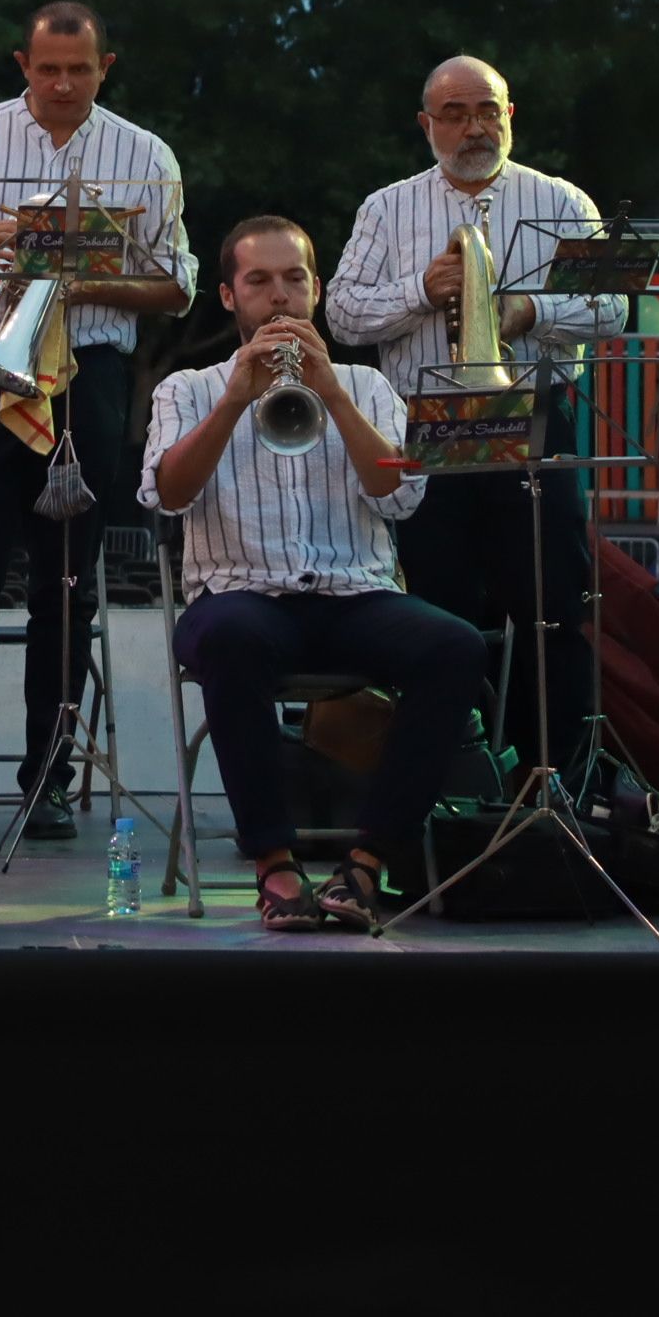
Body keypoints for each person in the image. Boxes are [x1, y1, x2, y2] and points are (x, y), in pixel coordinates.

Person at [0, 0, 190, 842]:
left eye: (79, 69)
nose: (61, 84)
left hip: (86, 374)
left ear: (106, 66)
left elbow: (178, 286)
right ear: (23, 63)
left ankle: (49, 781)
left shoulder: (146, 153)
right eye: (47, 68)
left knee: (65, 587)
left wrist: (83, 275)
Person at [147, 217, 489, 930]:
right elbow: (170, 494)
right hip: (239, 595)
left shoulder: (366, 385)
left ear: (317, 289)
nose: (279, 299)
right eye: (259, 282)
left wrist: (332, 393)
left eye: (294, 279)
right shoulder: (187, 388)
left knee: (455, 645)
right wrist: (236, 398)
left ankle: (368, 865)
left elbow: (400, 496)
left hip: (352, 595)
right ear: (228, 296)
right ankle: (274, 865)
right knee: (231, 639)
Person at [322, 54, 620, 781]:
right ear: (426, 126)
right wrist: (421, 289)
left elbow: (611, 307)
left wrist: (529, 310)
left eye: (486, 110)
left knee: (552, 603)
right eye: (453, 114)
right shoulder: (387, 208)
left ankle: (552, 776)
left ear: (510, 116)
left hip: (537, 420)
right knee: (440, 605)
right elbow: (342, 315)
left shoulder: (564, 201)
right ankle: (449, 775)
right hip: (428, 422)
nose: (473, 127)